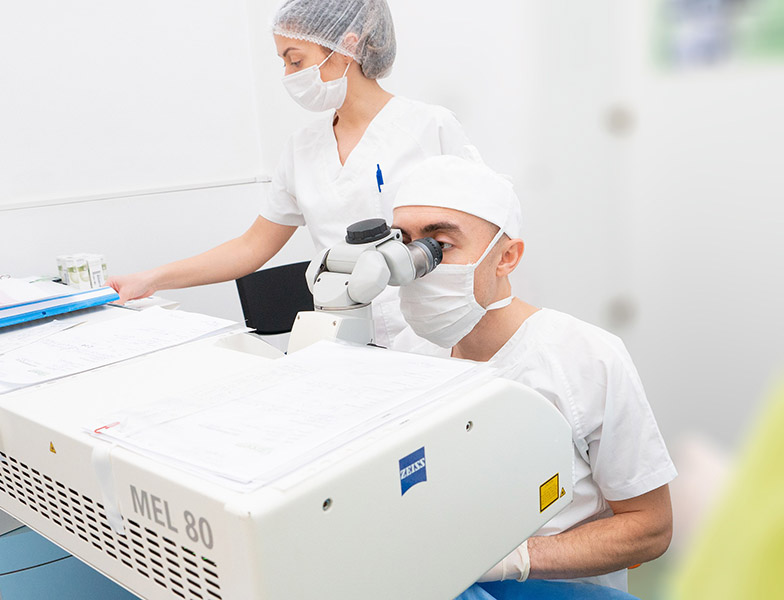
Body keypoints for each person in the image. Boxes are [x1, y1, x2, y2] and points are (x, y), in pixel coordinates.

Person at [107, 0, 474, 347]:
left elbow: (481, 237)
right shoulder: (303, 148)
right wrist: (150, 279)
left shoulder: (429, 127)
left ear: (347, 47)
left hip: (427, 337)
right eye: (283, 62)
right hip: (343, 336)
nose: (287, 75)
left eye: (295, 61)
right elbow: (250, 247)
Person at [389, 155, 677, 595]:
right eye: (404, 243)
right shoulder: (408, 350)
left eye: (439, 245)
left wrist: (514, 559)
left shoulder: (585, 358)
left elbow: (650, 528)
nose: (416, 265)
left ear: (506, 258)